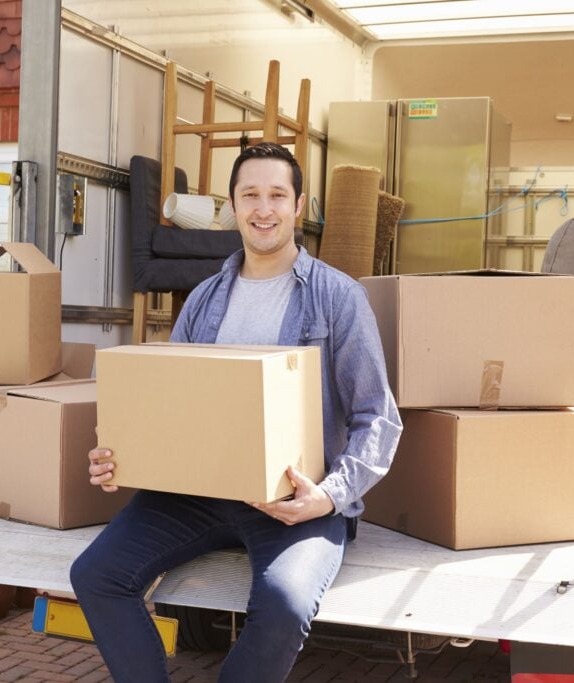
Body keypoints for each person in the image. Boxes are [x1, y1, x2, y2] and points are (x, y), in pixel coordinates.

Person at [70, 142, 402, 682]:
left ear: (298, 207)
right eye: (251, 195)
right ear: (232, 206)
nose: (263, 209)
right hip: (196, 495)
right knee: (97, 575)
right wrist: (123, 457)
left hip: (295, 500)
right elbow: (169, 404)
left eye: (277, 195)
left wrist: (329, 496)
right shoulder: (203, 300)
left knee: (286, 604)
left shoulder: (338, 298)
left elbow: (378, 418)